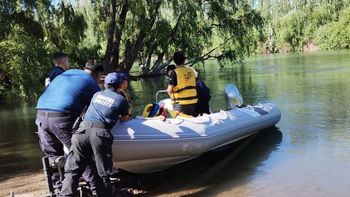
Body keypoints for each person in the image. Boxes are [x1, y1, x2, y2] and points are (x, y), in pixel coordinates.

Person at [35, 59, 103, 194]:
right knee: (80, 154)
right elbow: (95, 111)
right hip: (61, 116)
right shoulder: (92, 83)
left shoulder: (69, 73)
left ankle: (57, 189)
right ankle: (98, 191)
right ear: (98, 74)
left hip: (41, 114)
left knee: (54, 158)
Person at [60, 72, 130, 197]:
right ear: (120, 84)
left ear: (105, 83)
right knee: (103, 171)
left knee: (73, 169)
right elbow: (124, 118)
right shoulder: (121, 99)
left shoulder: (96, 94)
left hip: (81, 132)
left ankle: (65, 195)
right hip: (99, 134)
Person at [167, 52, 198, 116]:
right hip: (193, 102)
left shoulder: (174, 72)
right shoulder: (191, 71)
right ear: (184, 60)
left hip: (180, 104)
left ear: (174, 61)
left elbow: (169, 90)